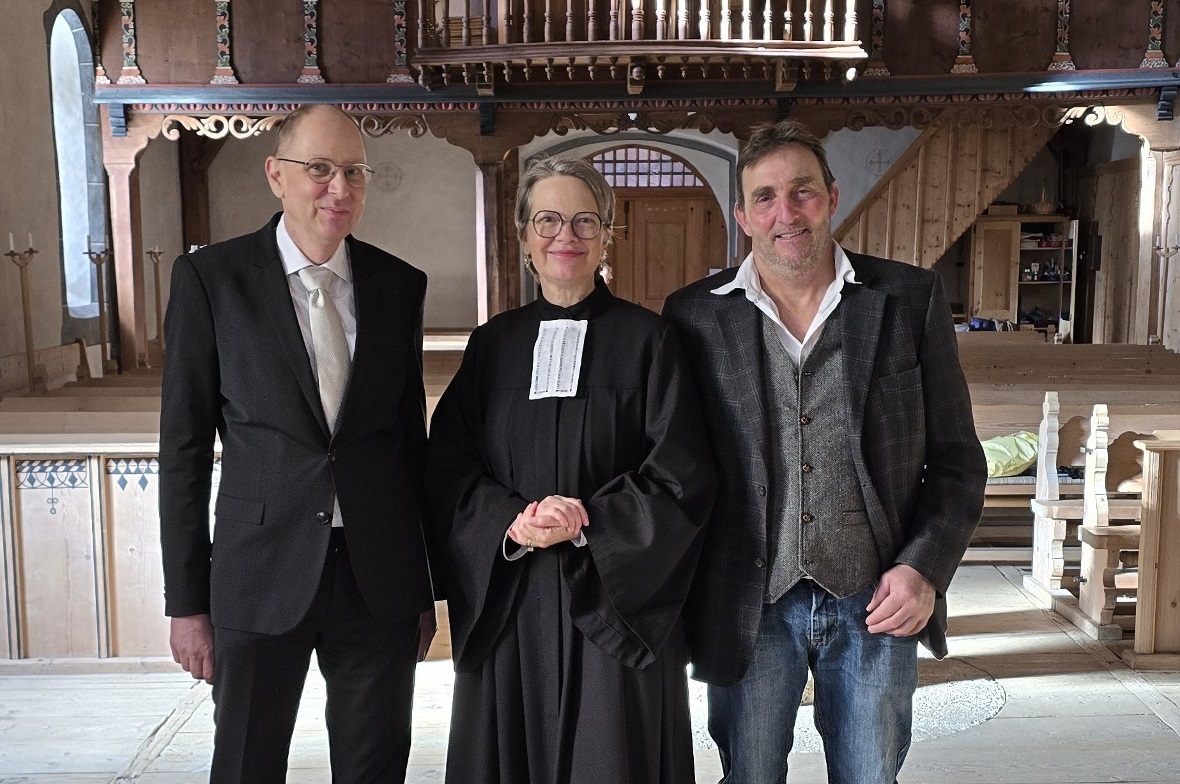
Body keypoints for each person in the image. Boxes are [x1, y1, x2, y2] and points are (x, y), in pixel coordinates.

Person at [662, 119, 986, 783]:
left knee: (870, 774)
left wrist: (923, 568)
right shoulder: (693, 316)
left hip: (877, 596)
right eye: (765, 197)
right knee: (749, 775)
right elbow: (674, 465)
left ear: (832, 197)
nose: (786, 213)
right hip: (747, 599)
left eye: (802, 192)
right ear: (743, 216)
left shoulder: (909, 298)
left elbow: (957, 459)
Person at [158, 104, 442, 783]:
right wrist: (187, 603)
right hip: (258, 574)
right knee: (247, 765)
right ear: (275, 175)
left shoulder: (399, 285)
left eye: (354, 171)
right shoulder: (212, 281)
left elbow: (410, 444)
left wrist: (423, 586)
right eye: (319, 169)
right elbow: (183, 451)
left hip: (377, 579)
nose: (339, 188)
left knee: (375, 769)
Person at [426, 156, 716, 784]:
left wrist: (589, 521)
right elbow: (448, 466)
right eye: (548, 220)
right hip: (513, 600)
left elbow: (682, 474)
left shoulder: (650, 341)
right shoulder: (492, 345)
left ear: (607, 235)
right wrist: (511, 521)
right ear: (524, 234)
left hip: (615, 602)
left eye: (585, 221)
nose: (567, 236)